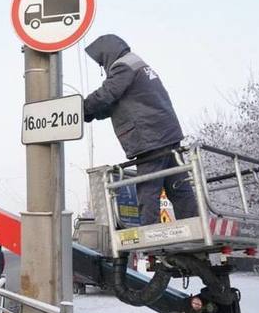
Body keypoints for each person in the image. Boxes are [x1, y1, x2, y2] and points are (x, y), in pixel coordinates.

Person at [83, 34, 198, 225]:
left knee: (148, 188)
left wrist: (81, 107)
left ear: (107, 53)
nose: (102, 66)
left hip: (150, 137)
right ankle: (195, 229)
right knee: (178, 187)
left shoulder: (123, 66)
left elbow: (107, 94)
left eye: (101, 61)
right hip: (166, 134)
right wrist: (90, 113)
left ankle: (151, 234)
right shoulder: (137, 65)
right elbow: (115, 104)